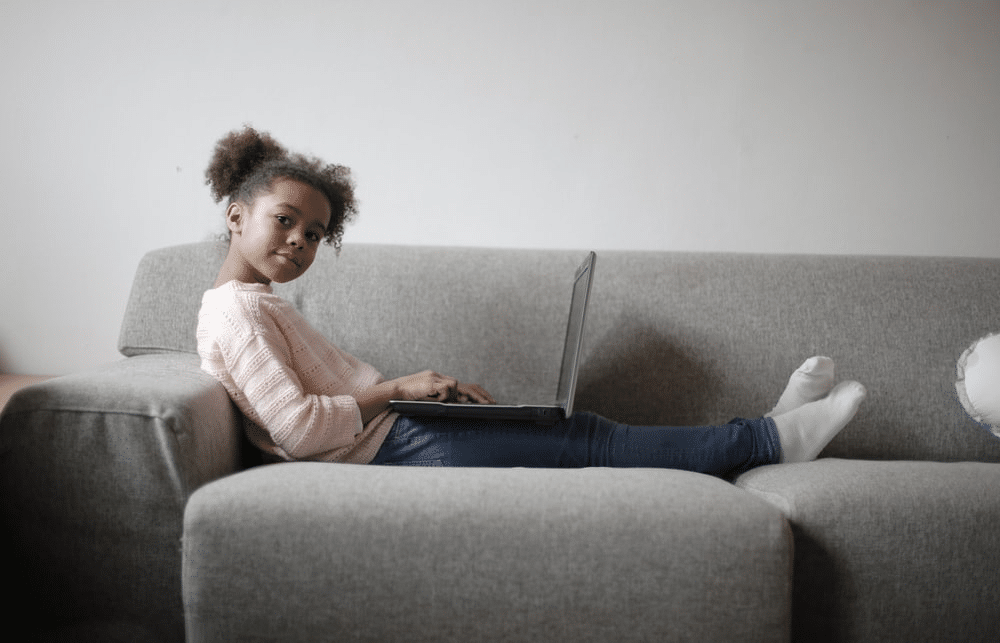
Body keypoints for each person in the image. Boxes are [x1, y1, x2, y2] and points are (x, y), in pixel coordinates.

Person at [197, 126, 867, 476]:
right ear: (235, 216)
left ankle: (769, 431)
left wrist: (422, 393)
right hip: (392, 446)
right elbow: (300, 429)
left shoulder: (251, 303)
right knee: (589, 441)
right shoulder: (238, 310)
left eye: (314, 233)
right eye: (284, 220)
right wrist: (400, 388)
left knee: (578, 430)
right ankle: (767, 439)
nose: (300, 241)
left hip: (397, 431)